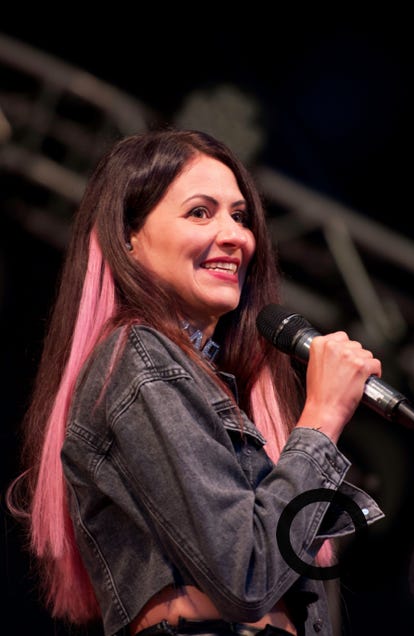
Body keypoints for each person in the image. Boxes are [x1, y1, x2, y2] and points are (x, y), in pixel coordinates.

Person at [8, 128, 384, 636]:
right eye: (200, 212)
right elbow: (244, 578)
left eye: (240, 216)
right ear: (128, 238)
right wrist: (322, 417)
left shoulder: (215, 381)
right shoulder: (140, 358)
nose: (235, 236)